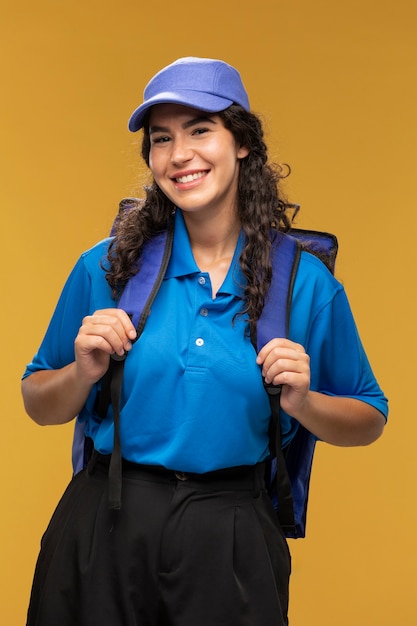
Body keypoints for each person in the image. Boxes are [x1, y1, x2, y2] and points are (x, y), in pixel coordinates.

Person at [21, 57, 388, 626]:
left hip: (233, 534)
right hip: (106, 524)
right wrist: (81, 372)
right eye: (162, 138)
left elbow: (369, 417)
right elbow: (38, 401)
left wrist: (304, 403)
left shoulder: (305, 283)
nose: (179, 154)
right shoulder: (107, 266)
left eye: (200, 130)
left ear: (241, 142)